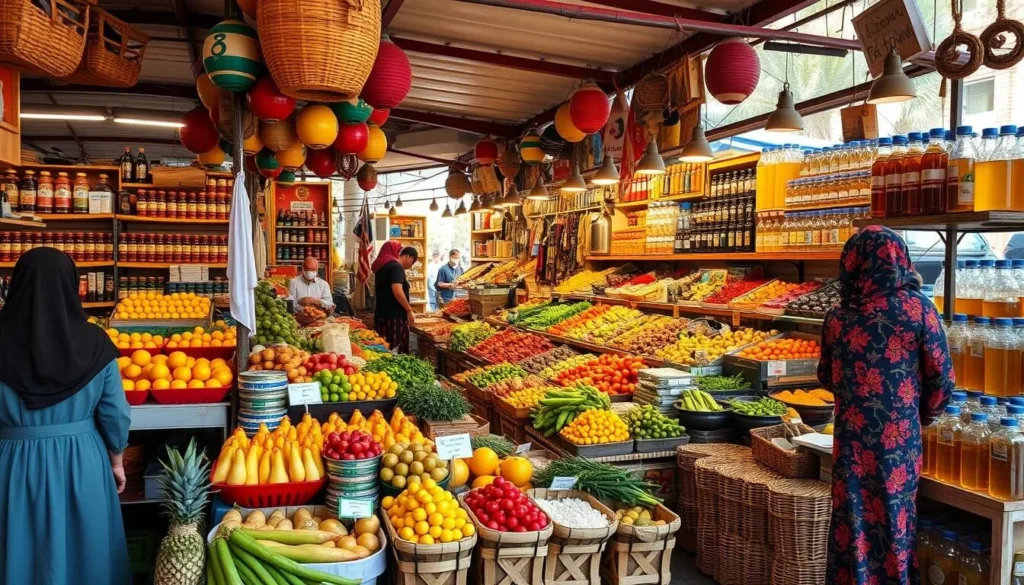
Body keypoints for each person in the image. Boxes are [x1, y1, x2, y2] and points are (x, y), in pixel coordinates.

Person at [817, 226, 953, 585]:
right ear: (900, 260)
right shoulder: (918, 310)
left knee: (852, 521)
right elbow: (942, 378)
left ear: (850, 262)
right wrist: (924, 415)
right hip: (899, 441)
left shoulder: (836, 317)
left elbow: (826, 377)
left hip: (850, 441)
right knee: (894, 521)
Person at [0, 247, 132, 584]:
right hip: (82, 461)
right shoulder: (96, 343)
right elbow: (115, 413)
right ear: (72, 286)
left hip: (11, 464)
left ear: (17, 285)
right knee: (85, 550)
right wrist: (117, 461)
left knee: (19, 548)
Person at [372, 241, 418, 353]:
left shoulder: (382, 267)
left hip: (382, 315)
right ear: (408, 256)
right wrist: (409, 310)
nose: (411, 265)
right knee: (396, 350)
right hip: (394, 318)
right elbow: (397, 290)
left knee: (383, 349)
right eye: (412, 261)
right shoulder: (396, 267)